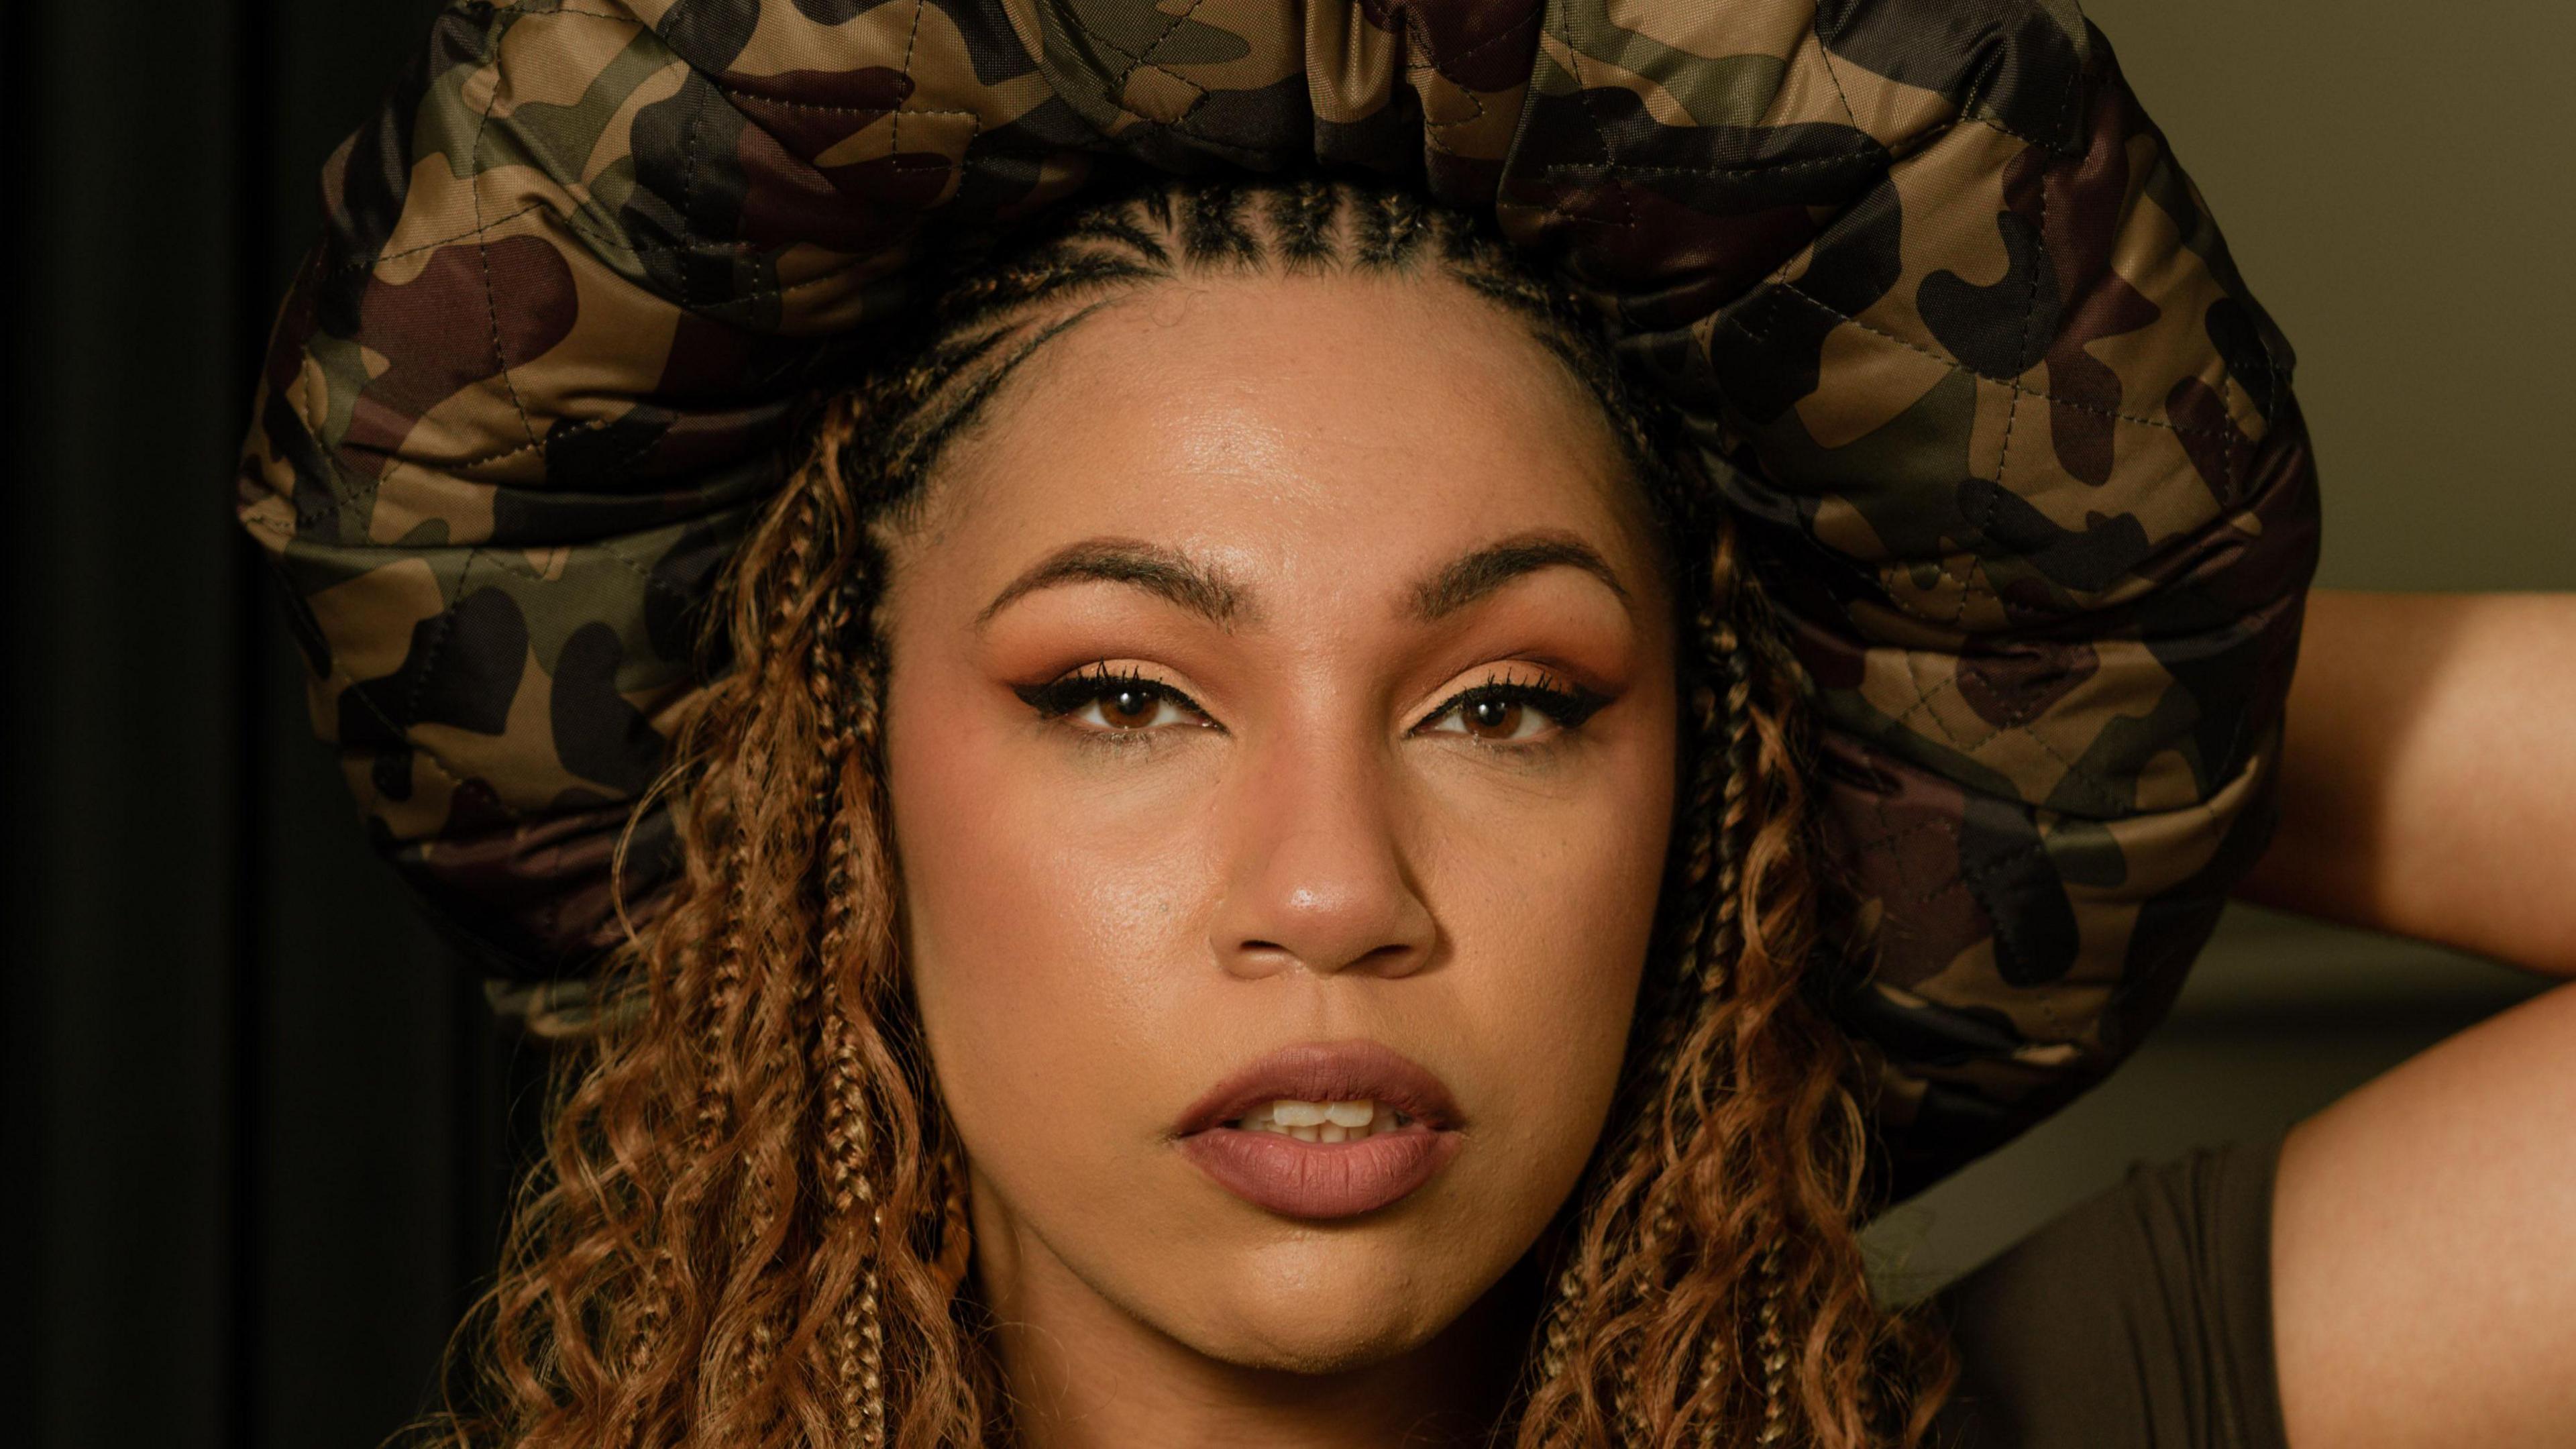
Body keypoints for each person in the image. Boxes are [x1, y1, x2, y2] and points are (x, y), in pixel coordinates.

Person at [231, 5, 2574, 1446]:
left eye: (1510, 703)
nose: (1337, 890)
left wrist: (2017, 668)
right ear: (824, 792)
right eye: (1125, 695)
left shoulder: (2064, 1409)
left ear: (1720, 786)